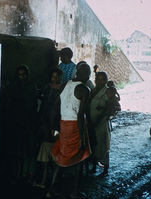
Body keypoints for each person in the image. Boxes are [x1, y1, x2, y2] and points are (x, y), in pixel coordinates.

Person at [46, 63, 91, 199]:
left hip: (63, 124)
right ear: (85, 74)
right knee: (80, 158)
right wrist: (82, 138)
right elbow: (80, 116)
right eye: (88, 73)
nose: (89, 76)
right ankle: (74, 193)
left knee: (60, 158)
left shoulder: (66, 84)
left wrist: (54, 127)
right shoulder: (85, 89)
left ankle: (50, 190)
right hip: (75, 127)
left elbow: (55, 107)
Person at [5, 64, 38, 183]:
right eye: (20, 75)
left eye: (24, 74)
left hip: (27, 123)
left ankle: (25, 174)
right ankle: (17, 174)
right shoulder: (12, 87)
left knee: (27, 150)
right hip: (15, 122)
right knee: (16, 150)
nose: (22, 77)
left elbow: (32, 106)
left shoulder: (31, 86)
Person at [32, 67, 63, 188]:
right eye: (53, 76)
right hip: (44, 121)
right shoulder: (46, 87)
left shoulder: (62, 89)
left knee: (52, 148)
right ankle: (43, 178)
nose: (54, 79)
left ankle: (49, 180)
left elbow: (58, 109)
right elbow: (41, 102)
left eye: (57, 77)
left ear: (60, 77)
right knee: (43, 148)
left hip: (55, 123)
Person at [89, 71, 116, 177]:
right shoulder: (93, 90)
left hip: (102, 123)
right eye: (98, 79)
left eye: (103, 79)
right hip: (92, 121)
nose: (100, 81)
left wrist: (98, 119)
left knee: (103, 145)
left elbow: (109, 109)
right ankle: (95, 166)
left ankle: (105, 169)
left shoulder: (108, 92)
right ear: (95, 80)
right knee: (94, 144)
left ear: (106, 80)